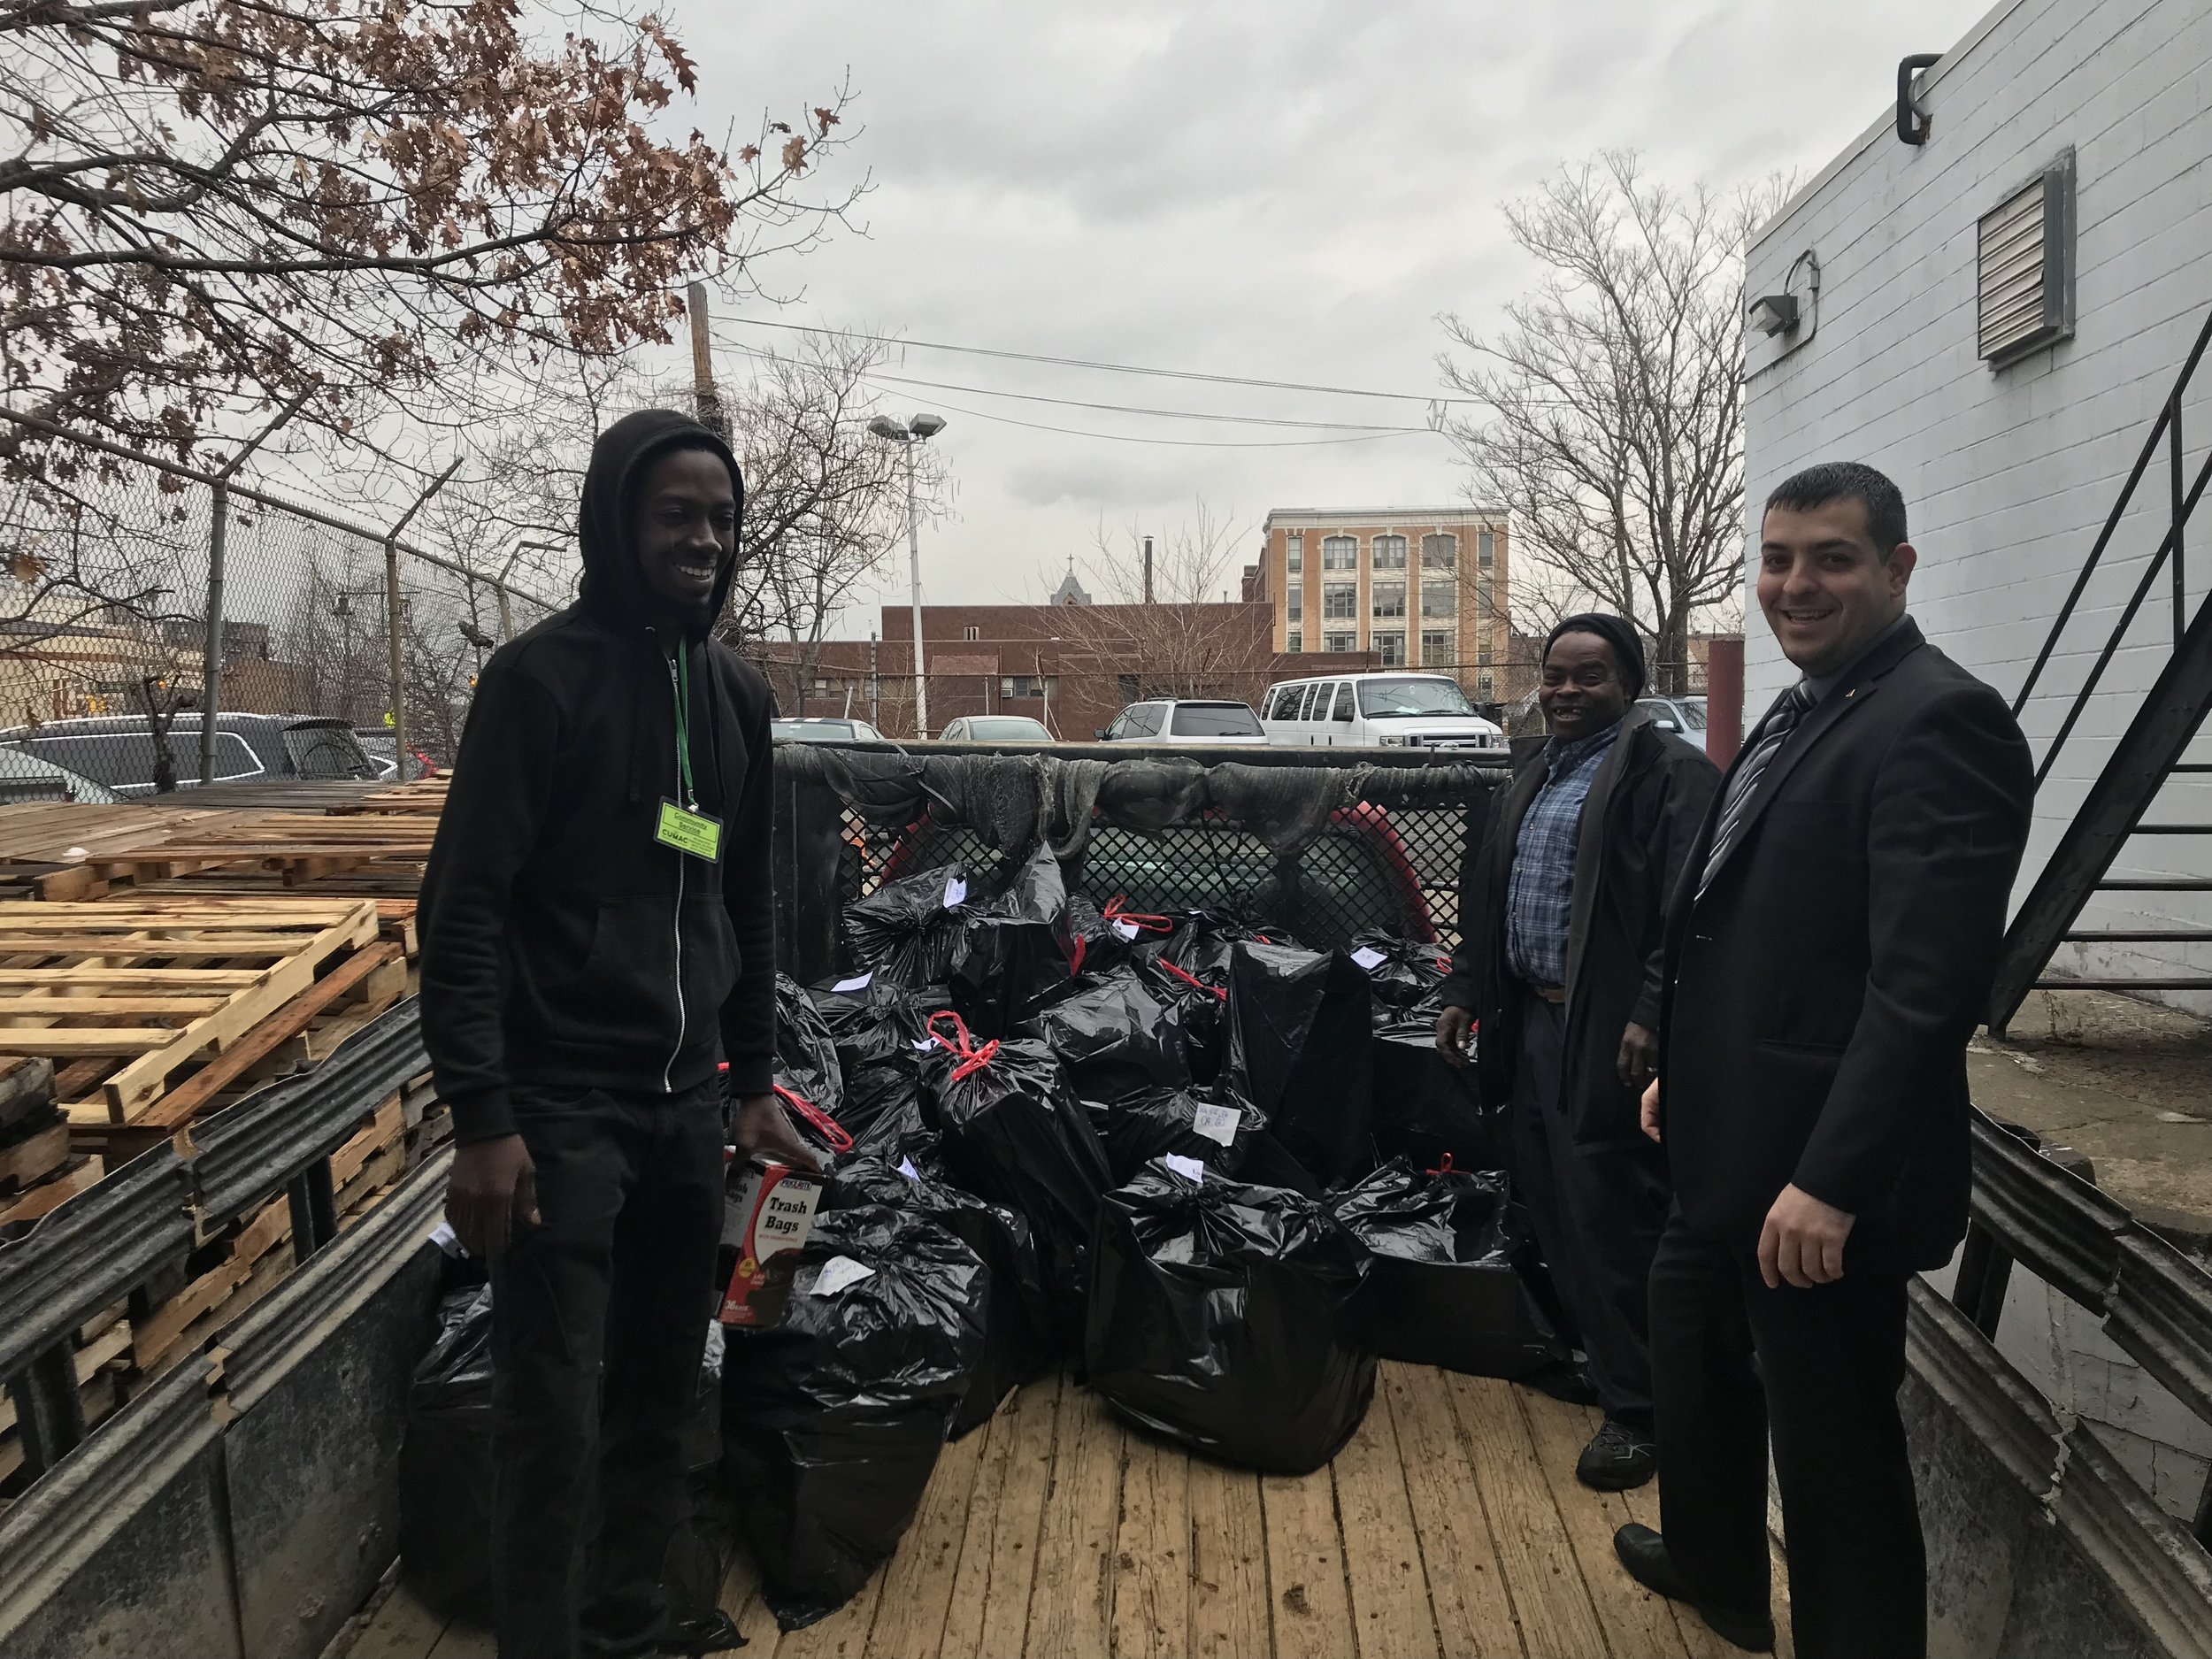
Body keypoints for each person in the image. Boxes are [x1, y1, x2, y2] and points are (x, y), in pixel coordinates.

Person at [1615, 462, 2033, 1657]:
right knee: (1691, 1344)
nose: (1796, 584)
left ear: (1897, 569)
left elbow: (1924, 987)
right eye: (1779, 558)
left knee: (1835, 1462)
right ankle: (1716, 1566)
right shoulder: (1806, 705)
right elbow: (1738, 919)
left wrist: (1835, 1179)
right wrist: (1681, 1069)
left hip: (1816, 1184)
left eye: (1832, 558)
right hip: (1726, 1136)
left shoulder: (1939, 719)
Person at [419, 408, 816, 1659]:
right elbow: (463, 907)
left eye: (719, 517)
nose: (703, 538)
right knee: (552, 1407)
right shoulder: (539, 682)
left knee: (661, 1387)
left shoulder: (736, 694)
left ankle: (633, 1618)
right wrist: (483, 1117)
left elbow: (741, 897)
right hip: (560, 1113)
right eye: (675, 514)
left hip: (687, 1107)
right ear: (617, 522)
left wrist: (751, 1078)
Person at [1436, 613, 1717, 1490]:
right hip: (1528, 1020)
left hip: (1606, 1037)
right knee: (1551, 1202)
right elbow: (1490, 892)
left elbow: (1694, 910)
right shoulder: (1535, 773)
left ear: (1629, 686)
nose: (1565, 691)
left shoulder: (1668, 776)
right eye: (1554, 675)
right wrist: (1463, 987)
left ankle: (1644, 1417)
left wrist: (1649, 1014)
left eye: (1588, 677)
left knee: (1612, 1219)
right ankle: (1604, 1364)